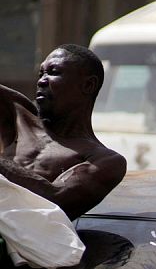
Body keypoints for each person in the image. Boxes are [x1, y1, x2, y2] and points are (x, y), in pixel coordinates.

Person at [0, 44, 127, 220]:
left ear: (88, 85)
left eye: (53, 72)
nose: (41, 81)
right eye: (41, 74)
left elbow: (55, 203)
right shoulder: (18, 113)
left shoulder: (105, 161)